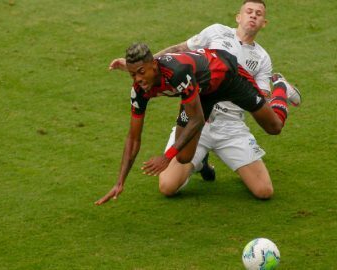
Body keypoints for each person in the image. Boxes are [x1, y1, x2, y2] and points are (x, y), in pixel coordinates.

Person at [105, 0, 301, 200]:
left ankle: (282, 86)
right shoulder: (215, 32)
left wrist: (166, 157)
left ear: (264, 22)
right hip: (201, 96)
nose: (252, 16)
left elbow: (196, 117)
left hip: (231, 89)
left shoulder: (261, 58)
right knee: (172, 176)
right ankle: (201, 160)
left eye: (258, 13)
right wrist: (120, 182)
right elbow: (134, 136)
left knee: (272, 139)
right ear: (238, 16)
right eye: (249, 11)